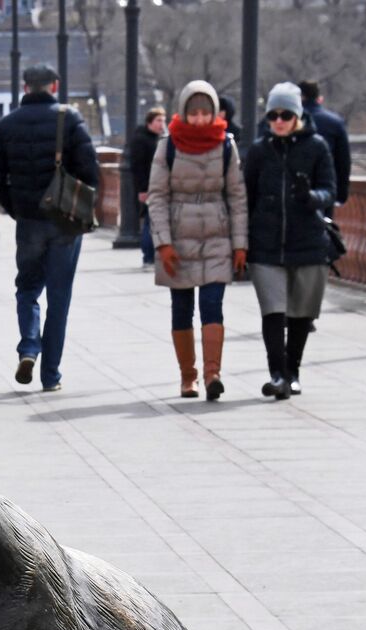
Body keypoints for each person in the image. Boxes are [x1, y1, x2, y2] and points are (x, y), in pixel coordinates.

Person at [0, 64, 99, 393]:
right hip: (64, 220)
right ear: (55, 85)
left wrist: (16, 207)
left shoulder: (7, 124)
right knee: (59, 297)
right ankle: (51, 375)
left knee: (27, 288)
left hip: (29, 220)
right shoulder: (70, 119)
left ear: (25, 87)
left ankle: (28, 348)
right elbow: (90, 171)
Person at [147, 79, 247, 401]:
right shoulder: (169, 145)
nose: (201, 119)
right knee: (181, 307)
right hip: (179, 237)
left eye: (207, 113)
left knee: (212, 304)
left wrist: (240, 243)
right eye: (195, 113)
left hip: (217, 237)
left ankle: (212, 373)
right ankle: (187, 376)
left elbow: (237, 197)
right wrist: (162, 242)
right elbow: (158, 197)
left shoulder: (226, 145)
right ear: (184, 113)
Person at [246, 81, 337, 400]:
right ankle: (277, 373)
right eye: (273, 115)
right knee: (273, 311)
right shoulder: (259, 150)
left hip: (308, 243)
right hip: (266, 244)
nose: (279, 121)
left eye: (285, 114)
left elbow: (331, 191)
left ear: (297, 115)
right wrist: (243, 241)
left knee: (301, 313)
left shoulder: (317, 147)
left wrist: (311, 196)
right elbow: (246, 195)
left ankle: (293, 372)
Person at [299, 80, 351, 205]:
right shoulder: (335, 123)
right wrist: (340, 194)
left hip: (294, 190)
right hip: (325, 190)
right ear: (319, 98)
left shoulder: (287, 122)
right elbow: (343, 161)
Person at [126, 106, 165, 268]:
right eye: (158, 120)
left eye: (163, 120)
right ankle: (148, 256)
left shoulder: (157, 138)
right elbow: (138, 166)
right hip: (148, 186)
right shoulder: (142, 140)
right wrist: (142, 189)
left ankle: (151, 256)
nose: (162, 124)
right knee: (150, 221)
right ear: (150, 122)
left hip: (157, 185)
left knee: (153, 221)